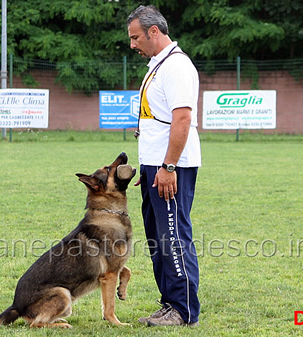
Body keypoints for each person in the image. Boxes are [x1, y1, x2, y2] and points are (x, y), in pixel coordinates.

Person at [127, 5, 201, 327]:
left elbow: (182, 118)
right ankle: (169, 303)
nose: (132, 44)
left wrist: (168, 166)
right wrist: (149, 168)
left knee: (173, 236)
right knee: (158, 238)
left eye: (135, 37)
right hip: (155, 167)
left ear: (153, 31)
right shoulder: (158, 65)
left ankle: (183, 311)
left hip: (172, 167)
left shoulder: (177, 67)